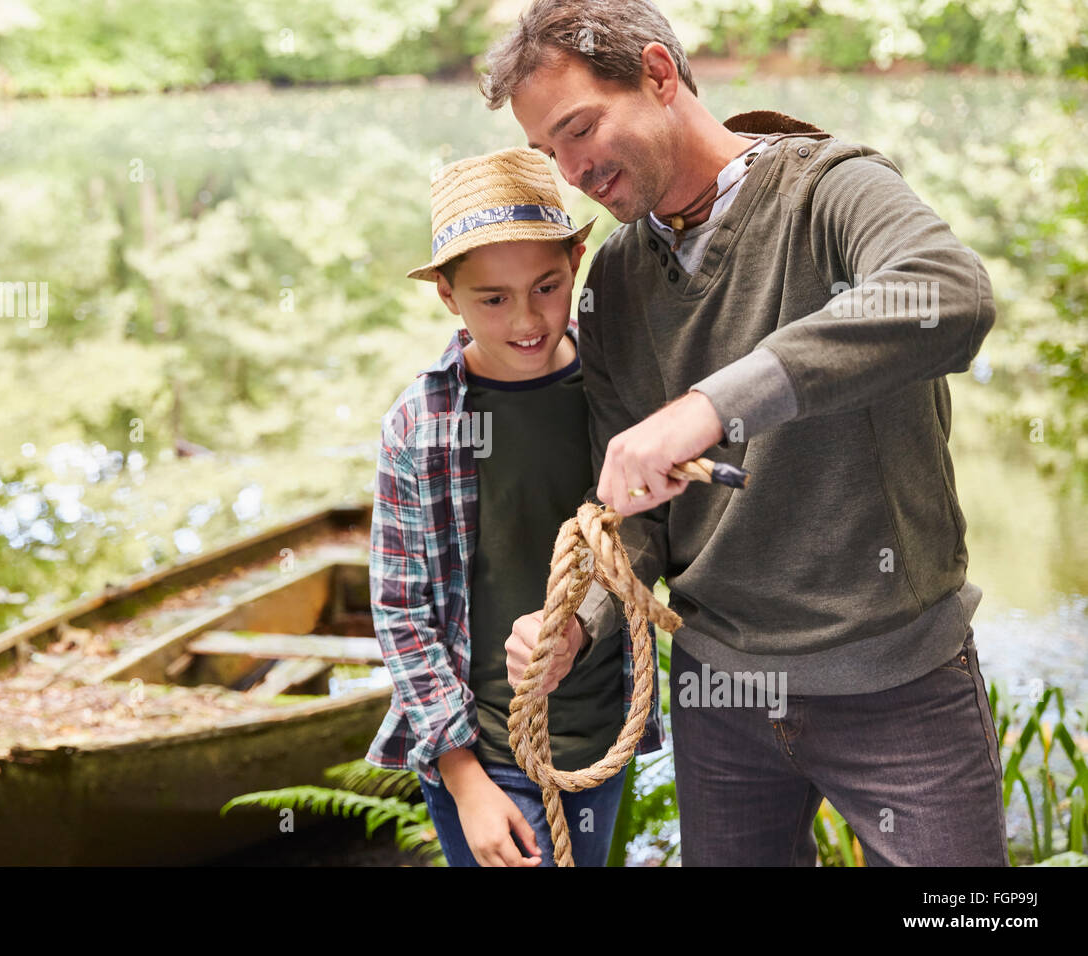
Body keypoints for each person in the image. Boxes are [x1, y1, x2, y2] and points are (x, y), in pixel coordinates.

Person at [482, 0, 1009, 866]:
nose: (572, 171)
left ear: (658, 75)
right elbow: (632, 513)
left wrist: (710, 406)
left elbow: (948, 296)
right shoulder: (612, 279)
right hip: (719, 686)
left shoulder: (831, 191)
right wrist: (578, 619)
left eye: (580, 128)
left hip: (897, 683)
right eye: (549, 151)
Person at [363, 146, 662, 867]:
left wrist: (578, 630)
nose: (527, 319)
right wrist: (465, 782)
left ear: (577, 261)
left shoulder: (617, 393)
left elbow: (646, 540)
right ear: (446, 293)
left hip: (599, 734)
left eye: (547, 286)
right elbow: (402, 613)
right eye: (492, 298)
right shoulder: (420, 425)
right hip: (486, 748)